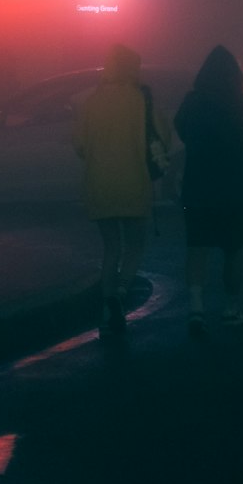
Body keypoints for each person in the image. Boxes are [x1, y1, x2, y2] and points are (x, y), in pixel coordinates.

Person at [174, 45, 243, 335]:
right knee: (233, 250)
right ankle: (230, 309)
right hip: (237, 189)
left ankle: (196, 309)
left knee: (197, 248)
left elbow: (180, 129)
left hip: (197, 188)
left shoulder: (191, 103)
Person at [74, 43, 170, 339]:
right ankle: (122, 291)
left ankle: (106, 309)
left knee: (111, 249)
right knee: (135, 246)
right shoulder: (140, 100)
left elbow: (80, 146)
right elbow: (163, 136)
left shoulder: (90, 102)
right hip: (134, 184)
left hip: (100, 186)